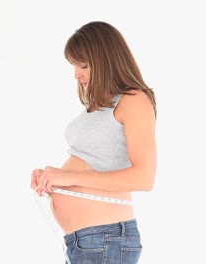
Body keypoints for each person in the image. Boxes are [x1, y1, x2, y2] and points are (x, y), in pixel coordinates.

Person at [31, 21, 157, 264]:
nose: (77, 74)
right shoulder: (100, 105)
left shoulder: (134, 100)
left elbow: (144, 178)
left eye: (83, 65)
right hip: (87, 242)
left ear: (105, 60)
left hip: (105, 240)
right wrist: (52, 179)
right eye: (74, 66)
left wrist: (67, 178)